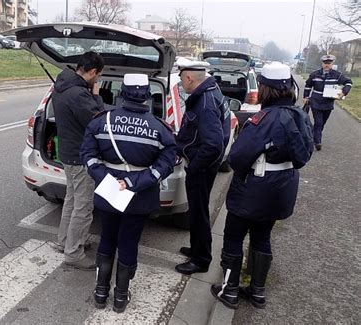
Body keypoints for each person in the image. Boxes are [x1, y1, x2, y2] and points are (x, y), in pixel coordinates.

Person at [211, 62, 314, 309]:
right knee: (262, 236)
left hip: (253, 189)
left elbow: (237, 157)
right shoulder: (300, 116)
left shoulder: (263, 119)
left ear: (265, 88)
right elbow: (305, 154)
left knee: (234, 237)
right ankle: (257, 292)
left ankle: (230, 291)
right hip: (282, 189)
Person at [81, 74, 176, 313]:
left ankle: (100, 293)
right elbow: (166, 164)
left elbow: (89, 157)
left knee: (107, 237)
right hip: (140, 194)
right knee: (129, 241)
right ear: (147, 96)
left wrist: (109, 180)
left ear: (121, 93)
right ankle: (121, 297)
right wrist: (134, 181)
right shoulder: (159, 128)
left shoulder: (101, 121)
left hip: (109, 190)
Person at [174, 58, 231, 275]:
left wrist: (195, 167)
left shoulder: (205, 102)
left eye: (181, 78)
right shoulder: (211, 92)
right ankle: (197, 248)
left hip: (202, 166)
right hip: (206, 163)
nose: (181, 82)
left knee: (198, 213)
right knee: (198, 210)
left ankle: (201, 260)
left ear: (189, 78)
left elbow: (213, 144)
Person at [53, 51, 105, 270]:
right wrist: (96, 95)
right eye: (98, 75)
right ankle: (74, 253)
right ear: (92, 72)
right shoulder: (80, 95)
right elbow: (98, 120)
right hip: (81, 156)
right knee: (83, 207)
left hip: (66, 153)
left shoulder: (61, 86)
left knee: (72, 200)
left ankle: (65, 242)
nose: (98, 79)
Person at [303, 54, 352, 151]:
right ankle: (317, 142)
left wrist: (344, 92)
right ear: (322, 63)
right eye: (325, 63)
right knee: (318, 122)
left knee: (322, 123)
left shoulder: (337, 75)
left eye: (329, 63)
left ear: (332, 64)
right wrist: (306, 97)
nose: (327, 65)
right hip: (316, 101)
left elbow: (348, 82)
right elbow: (308, 86)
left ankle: (314, 135)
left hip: (328, 103)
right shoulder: (314, 74)